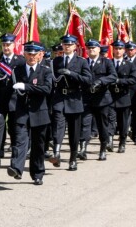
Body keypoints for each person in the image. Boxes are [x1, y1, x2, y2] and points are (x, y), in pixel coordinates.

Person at [8, 41, 52, 185]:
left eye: (34, 54)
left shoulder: (45, 70)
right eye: (29, 54)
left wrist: (27, 86)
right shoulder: (17, 70)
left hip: (39, 112)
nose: (31, 57)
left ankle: (38, 173)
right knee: (20, 141)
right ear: (24, 54)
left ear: (40, 55)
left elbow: (46, 89)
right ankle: (16, 168)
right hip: (22, 111)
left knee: (38, 146)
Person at [49, 34, 92, 171]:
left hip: (74, 98)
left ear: (75, 46)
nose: (66, 46)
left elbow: (88, 80)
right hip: (59, 98)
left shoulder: (82, 62)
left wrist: (71, 74)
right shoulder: (56, 61)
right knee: (58, 126)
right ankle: (56, 153)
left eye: (69, 44)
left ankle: (73, 159)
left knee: (74, 132)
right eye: (64, 44)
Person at [0, 33, 25, 166]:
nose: (6, 47)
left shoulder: (20, 60)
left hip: (15, 100)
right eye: (4, 45)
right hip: (0, 99)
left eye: (8, 45)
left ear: (14, 45)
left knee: (14, 129)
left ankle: (15, 156)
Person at [78, 39, 117, 161]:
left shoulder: (106, 62)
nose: (91, 50)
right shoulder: (83, 62)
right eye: (89, 48)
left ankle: (102, 149)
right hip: (86, 99)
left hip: (102, 100)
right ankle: (83, 149)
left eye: (93, 48)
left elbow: (113, 76)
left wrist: (101, 81)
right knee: (84, 124)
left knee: (102, 126)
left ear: (99, 49)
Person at [109, 40, 136, 153]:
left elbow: (133, 80)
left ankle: (122, 142)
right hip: (109, 96)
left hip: (123, 97)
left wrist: (119, 81)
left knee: (123, 122)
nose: (118, 51)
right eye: (116, 48)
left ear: (123, 50)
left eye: (120, 49)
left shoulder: (129, 65)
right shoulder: (108, 63)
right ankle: (109, 140)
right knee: (109, 120)